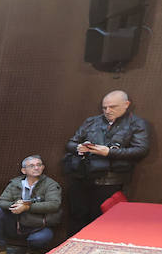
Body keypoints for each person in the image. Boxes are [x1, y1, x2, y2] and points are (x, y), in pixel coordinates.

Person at [64, 89, 150, 229]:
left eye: (112, 107)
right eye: (104, 107)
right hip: (81, 177)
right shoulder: (92, 121)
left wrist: (109, 152)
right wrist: (79, 148)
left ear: (126, 104)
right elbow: (70, 143)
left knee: (102, 222)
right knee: (76, 218)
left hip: (110, 181)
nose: (107, 110)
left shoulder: (137, 123)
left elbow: (141, 150)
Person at [0, 156, 63, 254]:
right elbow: (1, 201)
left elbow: (54, 205)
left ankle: (33, 248)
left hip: (38, 225)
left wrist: (27, 207)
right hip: (16, 223)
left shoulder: (51, 184)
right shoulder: (15, 183)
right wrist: (16, 205)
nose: (36, 168)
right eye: (32, 166)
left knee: (40, 238)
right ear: (24, 170)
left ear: (43, 167)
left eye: (39, 165)